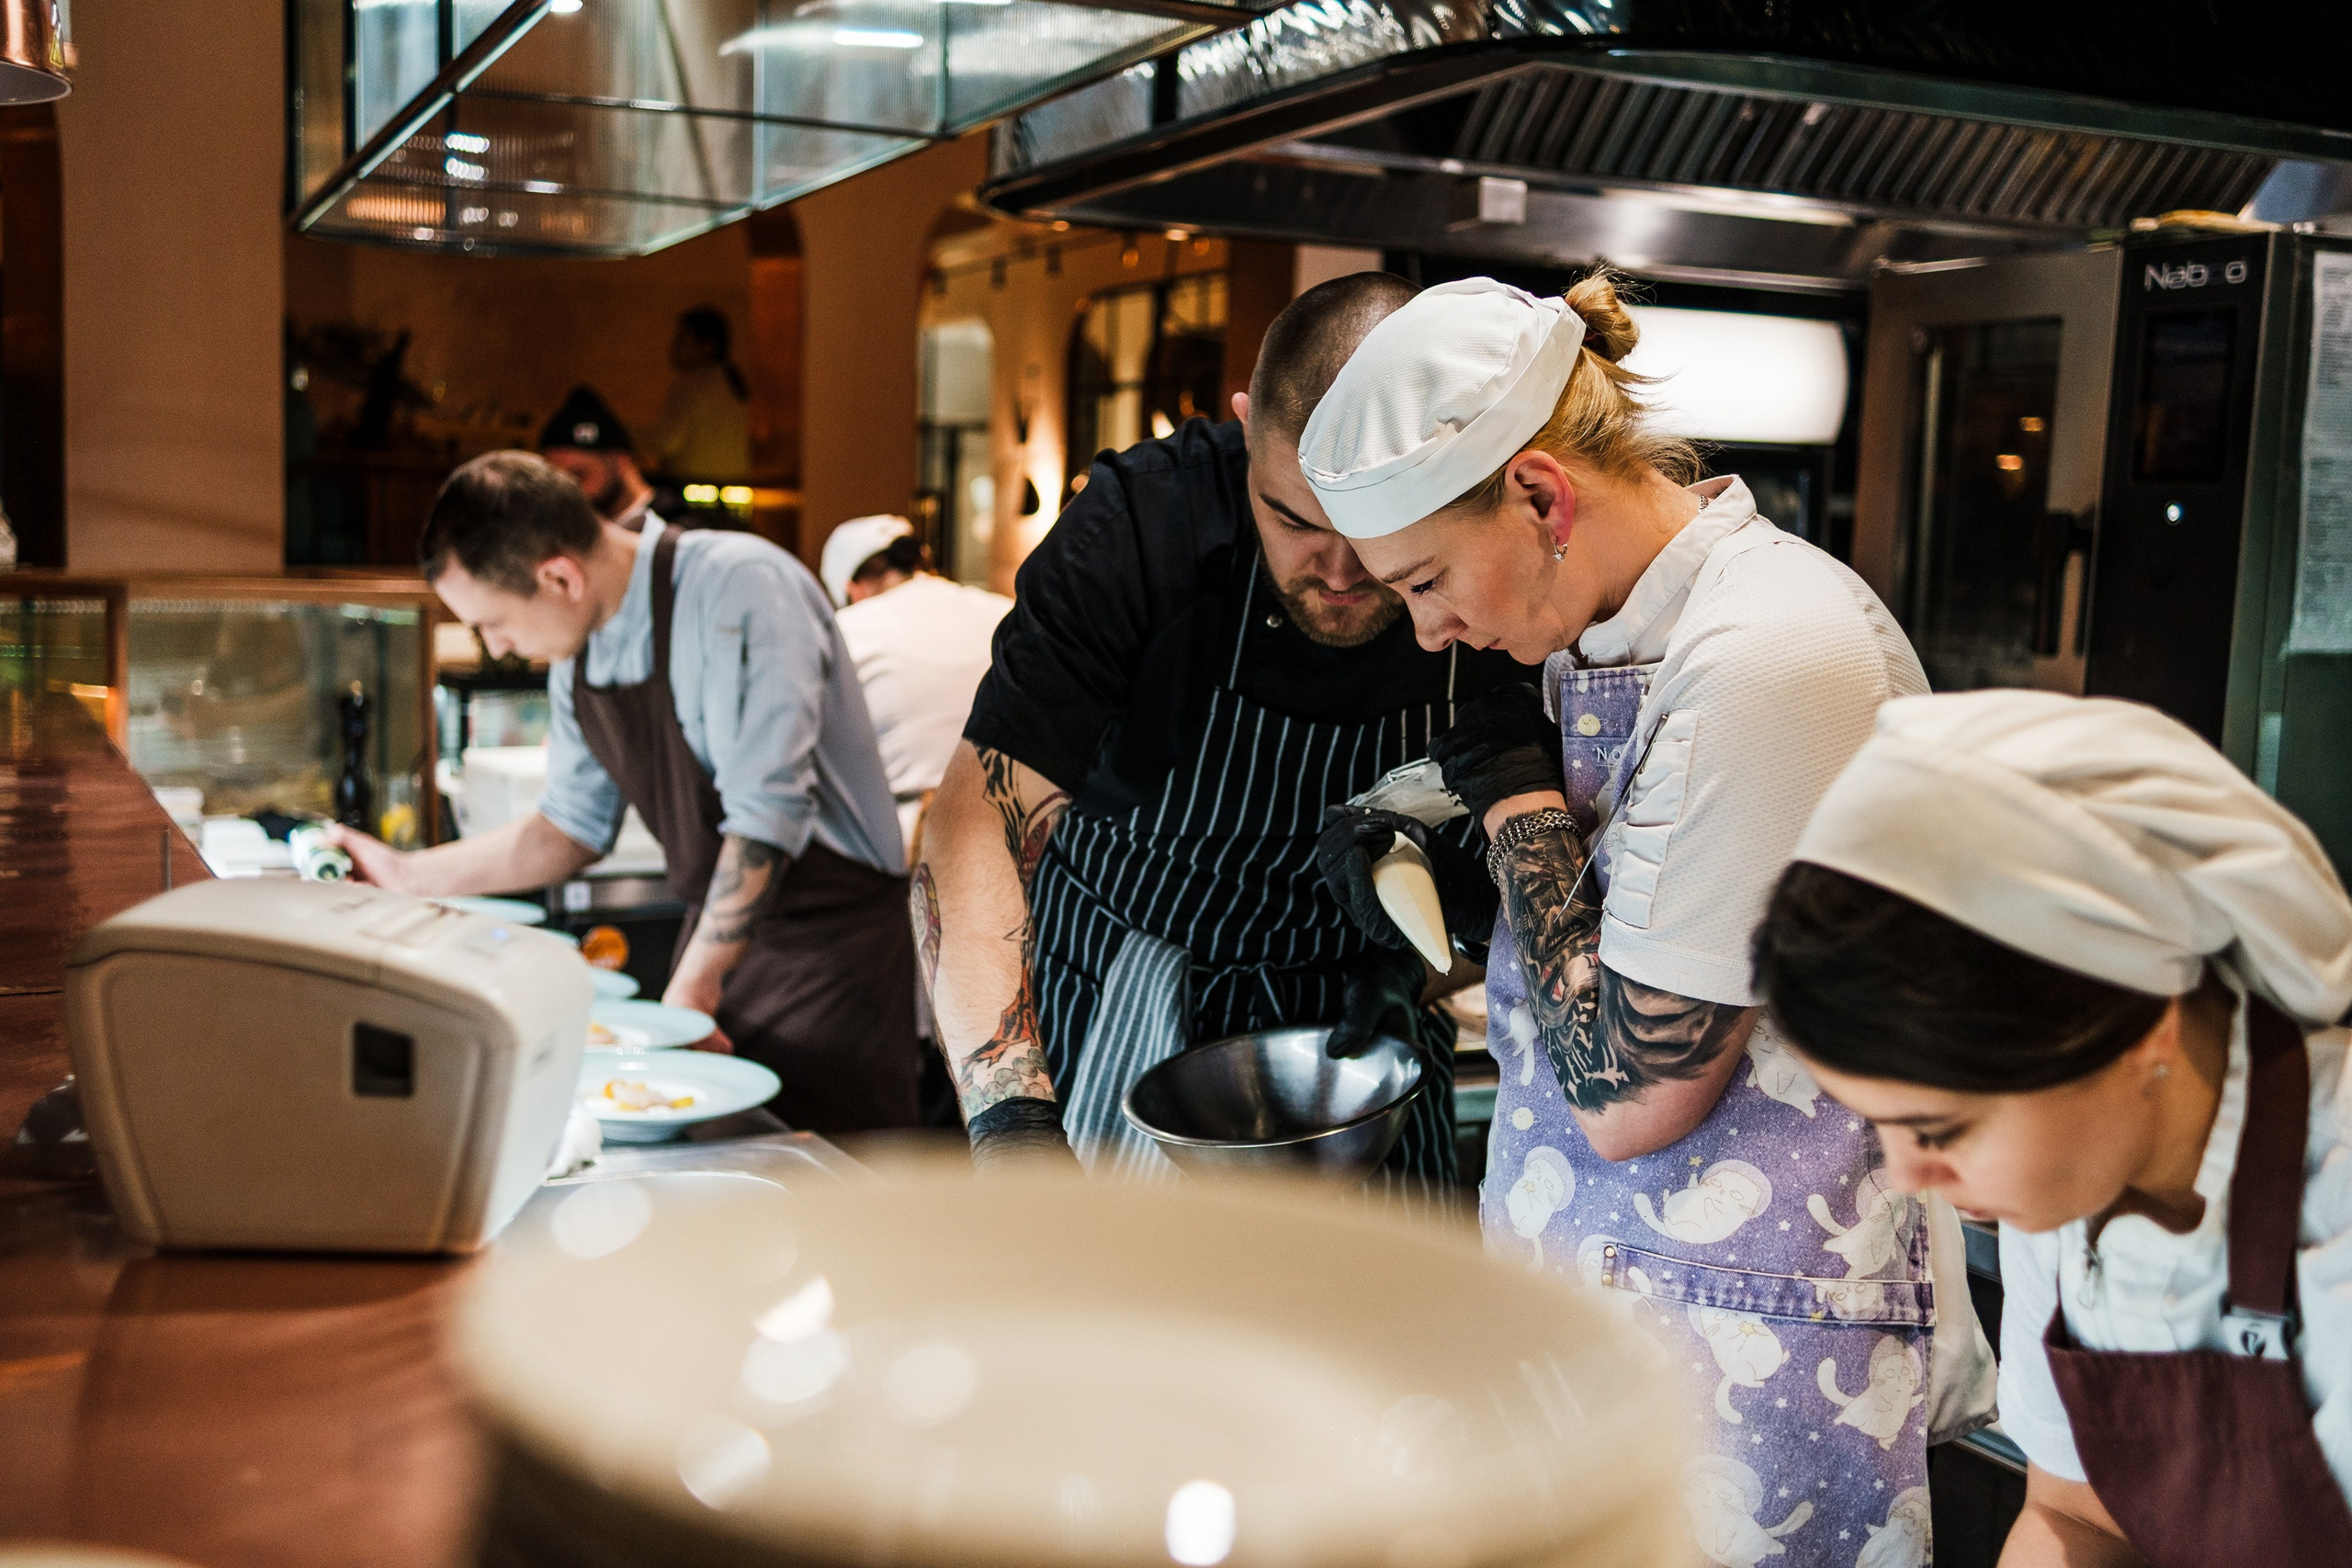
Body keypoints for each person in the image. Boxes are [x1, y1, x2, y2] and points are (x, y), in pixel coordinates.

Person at [1299, 275, 1995, 1558]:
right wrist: (1451, 866)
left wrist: (1515, 809)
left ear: (1542, 494)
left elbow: (1633, 1091)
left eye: (1429, 577)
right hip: (1605, 1310)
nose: (1428, 625)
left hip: (1761, 1356)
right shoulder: (1596, 631)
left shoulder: (1774, 655)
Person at [918, 273, 1521, 1195]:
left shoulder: (1492, 561)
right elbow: (972, 822)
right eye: (1292, 521)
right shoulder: (1140, 528)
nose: (1342, 570)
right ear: (1246, 427)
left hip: (1361, 1035)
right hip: (1128, 998)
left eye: (1380, 530)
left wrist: (1425, 972)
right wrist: (1010, 1123)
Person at [1751, 690, 2352, 1568]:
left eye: (1942, 1126)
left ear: (2142, 1022)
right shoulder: (2077, 1187)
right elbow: (2079, 1515)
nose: (1908, 1175)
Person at [328, 452, 920, 1134]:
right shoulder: (581, 646)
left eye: (493, 623)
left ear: (559, 576)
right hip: (722, 948)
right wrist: (404, 875)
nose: (496, 648)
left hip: (831, 961)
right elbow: (568, 827)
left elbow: (767, 816)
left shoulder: (743, 588)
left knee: (836, 1195)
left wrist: (694, 991)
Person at [820, 513, 1013, 856]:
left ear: (852, 587)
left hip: (906, 852)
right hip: (1018, 831)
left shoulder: (847, 631)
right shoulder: (1005, 613)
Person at [651, 307, 752, 488]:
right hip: (735, 492)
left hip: (691, 492)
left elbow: (667, 442)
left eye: (682, 339)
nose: (674, 347)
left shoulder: (689, 386)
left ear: (707, 347)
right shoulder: (736, 386)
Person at [540, 385, 659, 531]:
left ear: (620, 461)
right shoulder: (565, 531)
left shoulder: (676, 531)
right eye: (556, 481)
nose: (567, 492)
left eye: (578, 475)